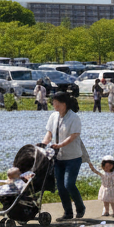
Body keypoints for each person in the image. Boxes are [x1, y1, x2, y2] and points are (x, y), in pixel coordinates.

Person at [42, 91, 95, 220]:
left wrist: (60, 145)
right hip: (58, 158)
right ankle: (68, 213)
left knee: (69, 184)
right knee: (60, 187)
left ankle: (80, 207)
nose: (55, 106)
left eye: (57, 104)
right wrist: (43, 144)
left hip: (73, 157)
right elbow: (49, 134)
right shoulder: (53, 116)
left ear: (64, 104)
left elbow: (73, 136)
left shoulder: (74, 118)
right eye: (54, 103)